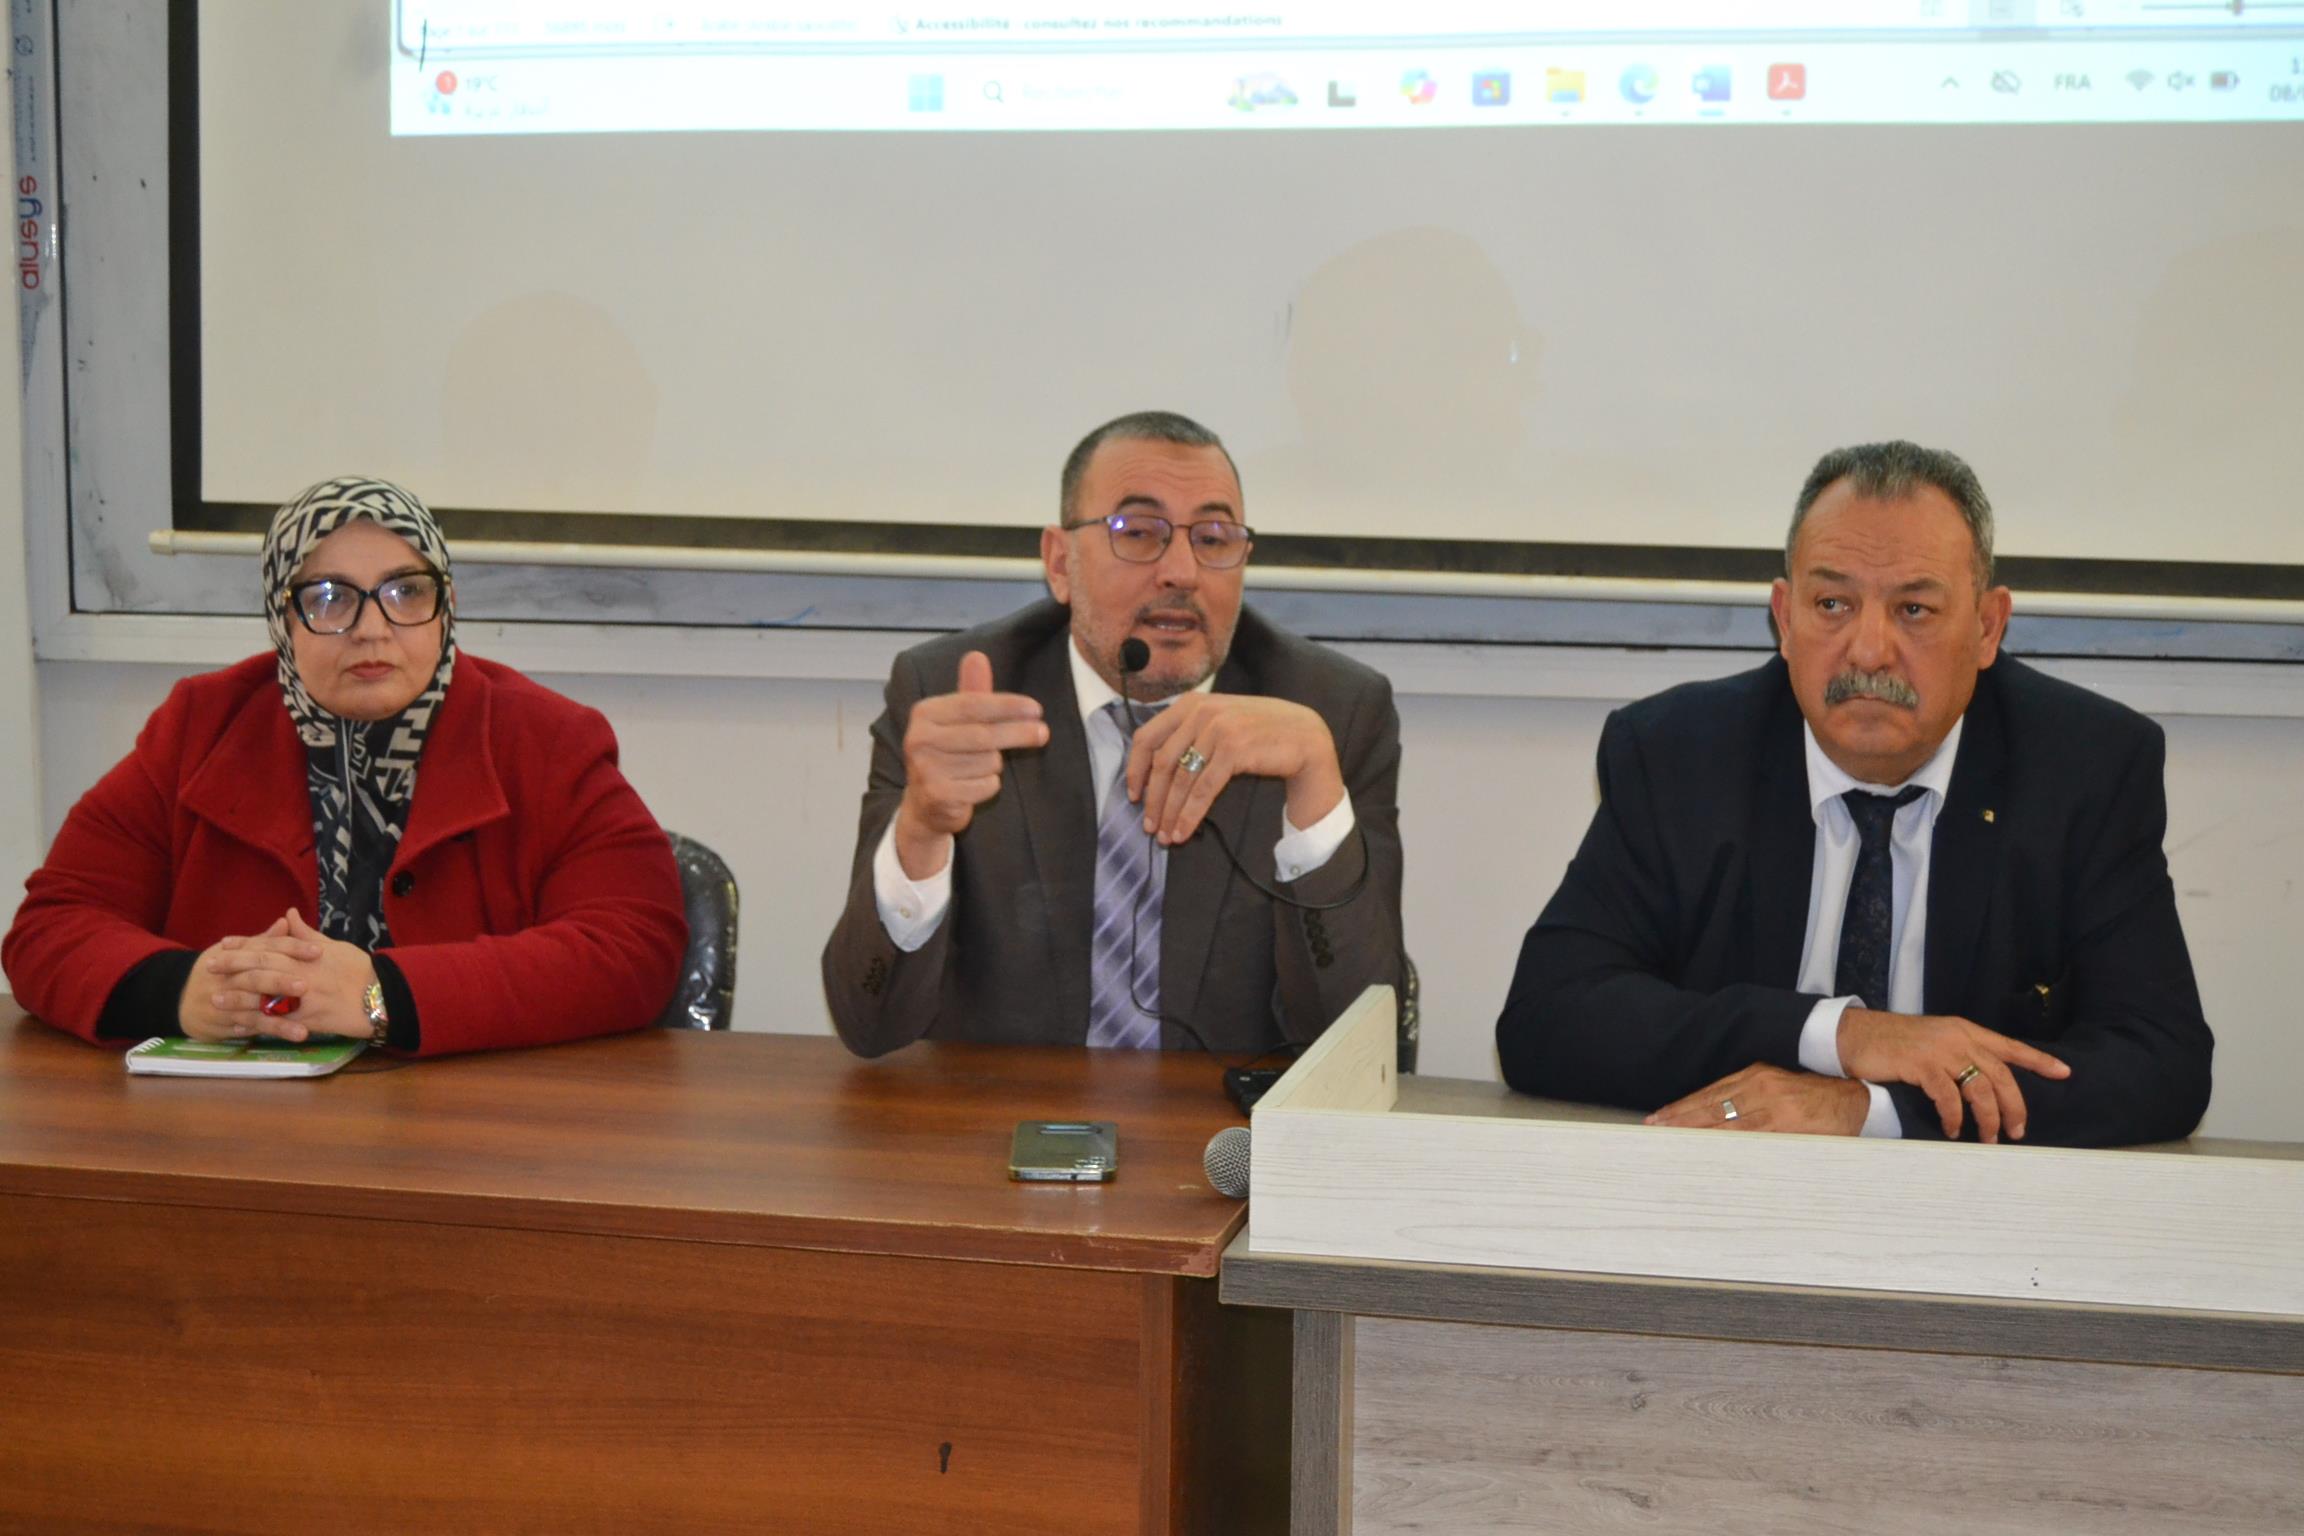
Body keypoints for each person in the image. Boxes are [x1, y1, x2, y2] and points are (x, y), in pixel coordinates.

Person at [1497, 441, 2211, 1147]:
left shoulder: (2087, 769)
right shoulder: (1678, 756)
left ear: (1987, 627)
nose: (1869, 651)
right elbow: (1547, 1017)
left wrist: (1870, 1109)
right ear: (1785, 618)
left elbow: (2161, 1062)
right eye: (1832, 603)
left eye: (1914, 610)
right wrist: (1842, 1034)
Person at [3, 477, 686, 1055]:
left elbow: (636, 945)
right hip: (235, 1128)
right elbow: (51, 927)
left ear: (447, 608)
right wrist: (186, 992)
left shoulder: (546, 740)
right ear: (282, 618)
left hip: (474, 1131)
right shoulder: (198, 729)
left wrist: (380, 995)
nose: (371, 629)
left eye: (406, 592)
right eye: (329, 598)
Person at [822, 411, 1404, 1056]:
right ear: (1060, 562)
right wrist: (922, 830)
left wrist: (1314, 791)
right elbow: (869, 1024)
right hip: (1004, 1113)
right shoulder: (954, 701)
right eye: (1139, 532)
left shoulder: (1332, 714)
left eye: (1213, 538)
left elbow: (1363, 1049)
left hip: (1222, 1118)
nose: (1182, 571)